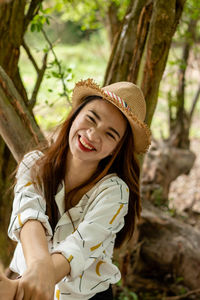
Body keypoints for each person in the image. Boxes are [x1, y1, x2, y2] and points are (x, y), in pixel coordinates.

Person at [2, 78, 151, 300]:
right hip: (27, 285)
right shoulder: (33, 164)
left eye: (110, 134)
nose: (92, 135)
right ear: (75, 116)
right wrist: (34, 275)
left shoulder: (114, 192)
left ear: (116, 149)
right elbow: (28, 217)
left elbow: (78, 249)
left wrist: (17, 290)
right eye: (91, 119)